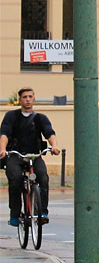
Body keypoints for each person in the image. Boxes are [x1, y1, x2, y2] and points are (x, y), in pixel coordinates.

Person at [0, 87, 60, 226]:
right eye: (24, 97)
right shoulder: (11, 116)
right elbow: (4, 134)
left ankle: (43, 212)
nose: (27, 99)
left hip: (35, 155)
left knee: (43, 177)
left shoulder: (40, 118)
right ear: (20, 99)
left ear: (34, 98)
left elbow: (50, 133)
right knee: (16, 179)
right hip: (16, 155)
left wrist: (54, 146)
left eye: (30, 97)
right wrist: (2, 149)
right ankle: (15, 214)